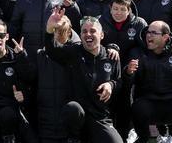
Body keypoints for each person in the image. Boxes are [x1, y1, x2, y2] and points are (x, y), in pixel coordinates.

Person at [44, 11, 123, 143]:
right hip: (77, 116)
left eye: (92, 31)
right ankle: (73, 139)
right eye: (84, 31)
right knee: (73, 108)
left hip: (100, 117)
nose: (88, 34)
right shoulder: (74, 52)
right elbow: (52, 50)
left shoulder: (111, 57)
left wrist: (111, 85)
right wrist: (49, 28)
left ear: (101, 35)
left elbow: (119, 81)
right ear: (80, 35)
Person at [100, 0, 147, 142]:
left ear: (129, 10)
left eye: (122, 9)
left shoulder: (139, 23)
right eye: (115, 9)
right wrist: (110, 47)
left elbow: (147, 46)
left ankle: (130, 133)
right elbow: (94, 45)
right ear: (110, 8)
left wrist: (133, 60)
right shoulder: (101, 21)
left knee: (127, 102)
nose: (118, 13)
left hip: (130, 72)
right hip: (108, 71)